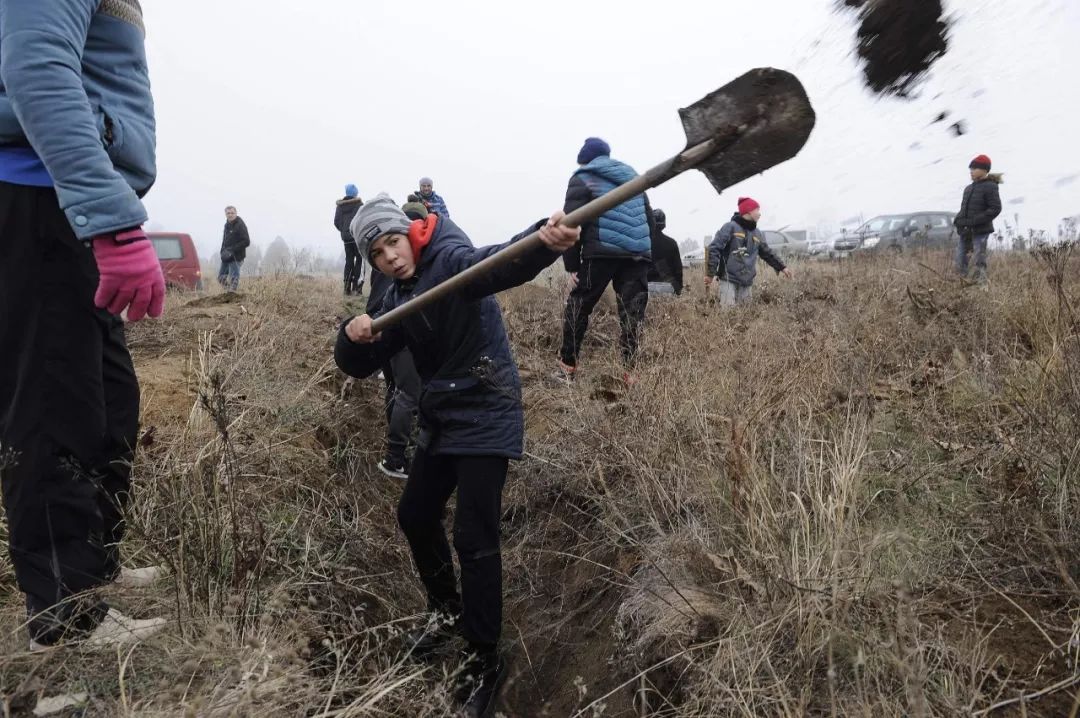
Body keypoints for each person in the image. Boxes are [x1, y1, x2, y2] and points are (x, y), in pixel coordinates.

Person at [336, 194, 578, 716]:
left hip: (487, 405)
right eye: (376, 252)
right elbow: (361, 361)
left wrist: (544, 239)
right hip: (442, 414)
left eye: (393, 242)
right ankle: (445, 611)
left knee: (474, 535)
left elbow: (500, 263)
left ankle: (483, 653)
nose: (390, 257)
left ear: (410, 233)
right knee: (415, 513)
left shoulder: (448, 257)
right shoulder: (395, 292)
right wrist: (352, 336)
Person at [0, 0, 167, 652]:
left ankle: (95, 572)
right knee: (53, 408)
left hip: (69, 204)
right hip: (41, 197)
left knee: (108, 402)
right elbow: (37, 69)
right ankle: (66, 618)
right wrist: (112, 219)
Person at [557, 137, 655, 381]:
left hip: (602, 251)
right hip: (637, 254)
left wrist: (572, 266)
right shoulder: (634, 179)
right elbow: (650, 221)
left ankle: (567, 367)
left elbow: (571, 222)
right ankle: (630, 372)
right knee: (632, 313)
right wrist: (643, 253)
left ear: (585, 158)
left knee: (578, 306)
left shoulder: (583, 177)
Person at [706, 197, 792, 306]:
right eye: (757, 210)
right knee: (728, 316)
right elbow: (714, 248)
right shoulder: (730, 227)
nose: (760, 214)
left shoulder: (757, 233)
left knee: (745, 316)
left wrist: (782, 267)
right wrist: (710, 273)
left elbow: (767, 253)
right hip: (728, 280)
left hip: (747, 282)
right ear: (748, 211)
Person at [954, 154, 1002, 282]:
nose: (971, 171)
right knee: (960, 260)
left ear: (985, 170)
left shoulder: (991, 186)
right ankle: (962, 286)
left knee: (978, 260)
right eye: (970, 169)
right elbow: (963, 209)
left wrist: (975, 221)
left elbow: (995, 209)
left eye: (974, 168)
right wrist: (958, 221)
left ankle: (982, 288)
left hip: (981, 232)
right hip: (965, 231)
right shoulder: (968, 189)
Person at [334, 184, 364, 295]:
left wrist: (343, 230)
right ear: (356, 193)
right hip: (356, 236)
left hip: (346, 238)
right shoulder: (359, 205)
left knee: (349, 260)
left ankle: (346, 288)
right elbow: (362, 220)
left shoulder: (340, 206)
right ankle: (356, 287)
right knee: (360, 260)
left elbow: (336, 222)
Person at [646, 209, 685, 296]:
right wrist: (678, 289)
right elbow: (678, 269)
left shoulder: (643, 243)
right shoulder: (672, 243)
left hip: (645, 288)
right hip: (668, 287)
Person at [219, 205, 250, 291]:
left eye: (232, 213)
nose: (230, 215)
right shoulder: (226, 225)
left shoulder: (240, 225)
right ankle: (228, 294)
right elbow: (224, 240)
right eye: (228, 213)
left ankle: (232, 295)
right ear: (225, 214)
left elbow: (246, 241)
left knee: (234, 280)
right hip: (226, 256)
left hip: (236, 256)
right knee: (221, 278)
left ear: (236, 213)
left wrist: (232, 250)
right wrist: (222, 251)